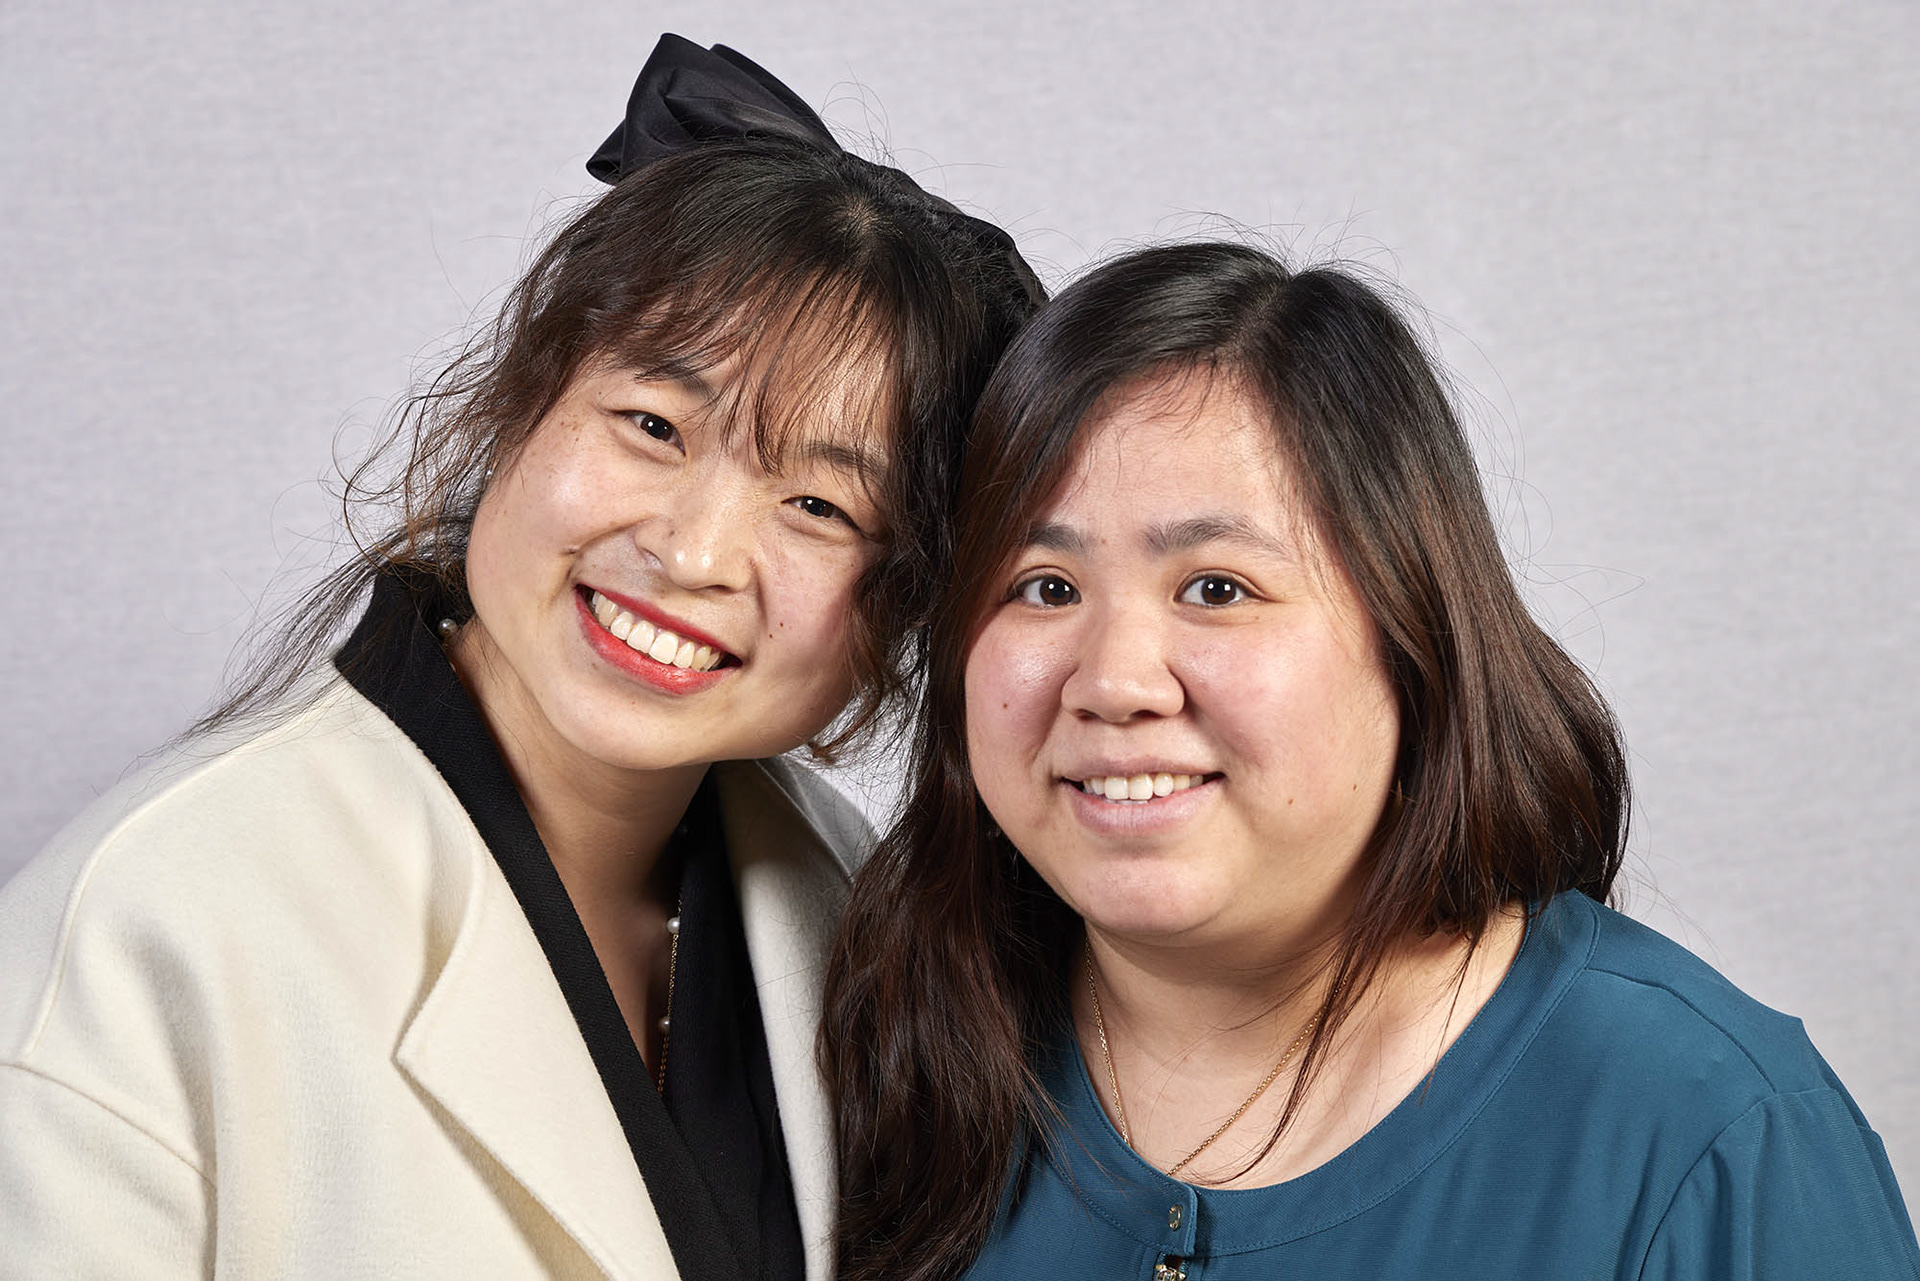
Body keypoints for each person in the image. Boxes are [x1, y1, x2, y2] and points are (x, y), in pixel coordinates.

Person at [0, 35, 1040, 1281]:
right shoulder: (143, 928)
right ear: (520, 402)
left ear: (906, 603)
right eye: (651, 425)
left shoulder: (848, 895)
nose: (694, 553)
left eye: (820, 507)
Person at [824, 241, 1919, 1279]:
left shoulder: (1708, 1131)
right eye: (1045, 587)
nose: (1113, 681)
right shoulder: (884, 1055)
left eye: (1217, 588)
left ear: (1410, 636)